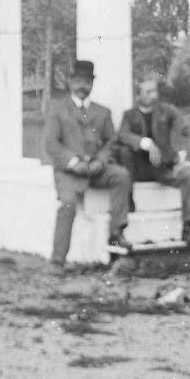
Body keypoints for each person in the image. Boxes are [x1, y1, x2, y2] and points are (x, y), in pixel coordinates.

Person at [44, 59, 132, 269]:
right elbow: (51, 143)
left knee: (121, 175)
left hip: (95, 169)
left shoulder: (103, 112)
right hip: (69, 172)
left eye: (87, 81)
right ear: (70, 81)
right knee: (67, 204)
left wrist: (101, 161)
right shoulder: (56, 108)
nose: (83, 86)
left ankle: (116, 233)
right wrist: (73, 162)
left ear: (92, 84)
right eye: (79, 81)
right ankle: (58, 261)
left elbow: (111, 141)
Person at [117, 75, 190, 246]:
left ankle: (187, 227)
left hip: (164, 167)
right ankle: (128, 204)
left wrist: (189, 161)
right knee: (124, 152)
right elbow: (123, 135)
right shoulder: (129, 115)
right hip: (138, 170)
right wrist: (145, 143)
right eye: (148, 92)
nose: (154, 96)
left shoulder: (166, 111)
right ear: (138, 95)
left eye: (155, 91)